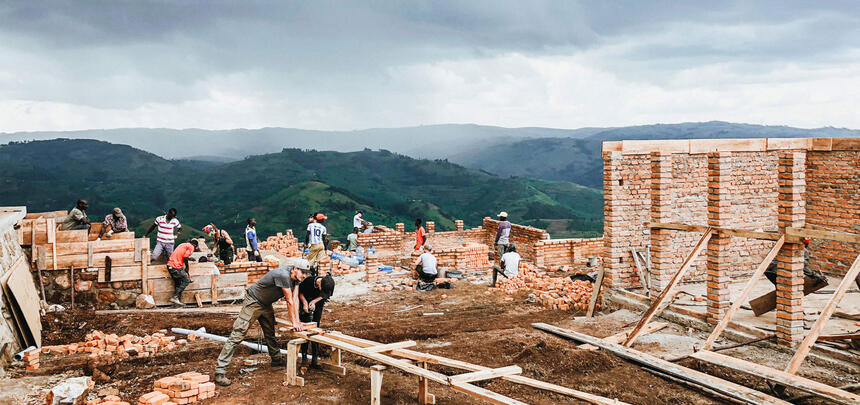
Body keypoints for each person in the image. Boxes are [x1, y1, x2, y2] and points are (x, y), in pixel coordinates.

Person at [214, 263, 309, 386]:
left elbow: (295, 298)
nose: (305, 276)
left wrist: (297, 321)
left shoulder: (296, 278)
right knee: (237, 334)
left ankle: (276, 359)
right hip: (253, 301)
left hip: (266, 304)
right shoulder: (283, 275)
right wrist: (294, 322)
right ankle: (220, 372)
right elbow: (289, 300)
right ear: (295, 269)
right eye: (303, 273)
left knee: (270, 332)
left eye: (307, 273)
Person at [298, 273, 335, 370]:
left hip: (318, 303)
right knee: (305, 329)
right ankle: (304, 359)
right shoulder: (308, 281)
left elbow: (324, 296)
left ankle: (315, 359)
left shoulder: (329, 283)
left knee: (316, 329)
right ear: (319, 284)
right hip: (304, 301)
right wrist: (305, 303)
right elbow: (300, 292)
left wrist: (314, 302)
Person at [166, 239, 199, 306]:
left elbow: (182, 255)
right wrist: (187, 265)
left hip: (170, 265)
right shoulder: (191, 247)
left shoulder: (183, 244)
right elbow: (185, 257)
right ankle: (175, 297)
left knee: (178, 283)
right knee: (187, 280)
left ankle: (177, 302)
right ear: (195, 246)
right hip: (175, 266)